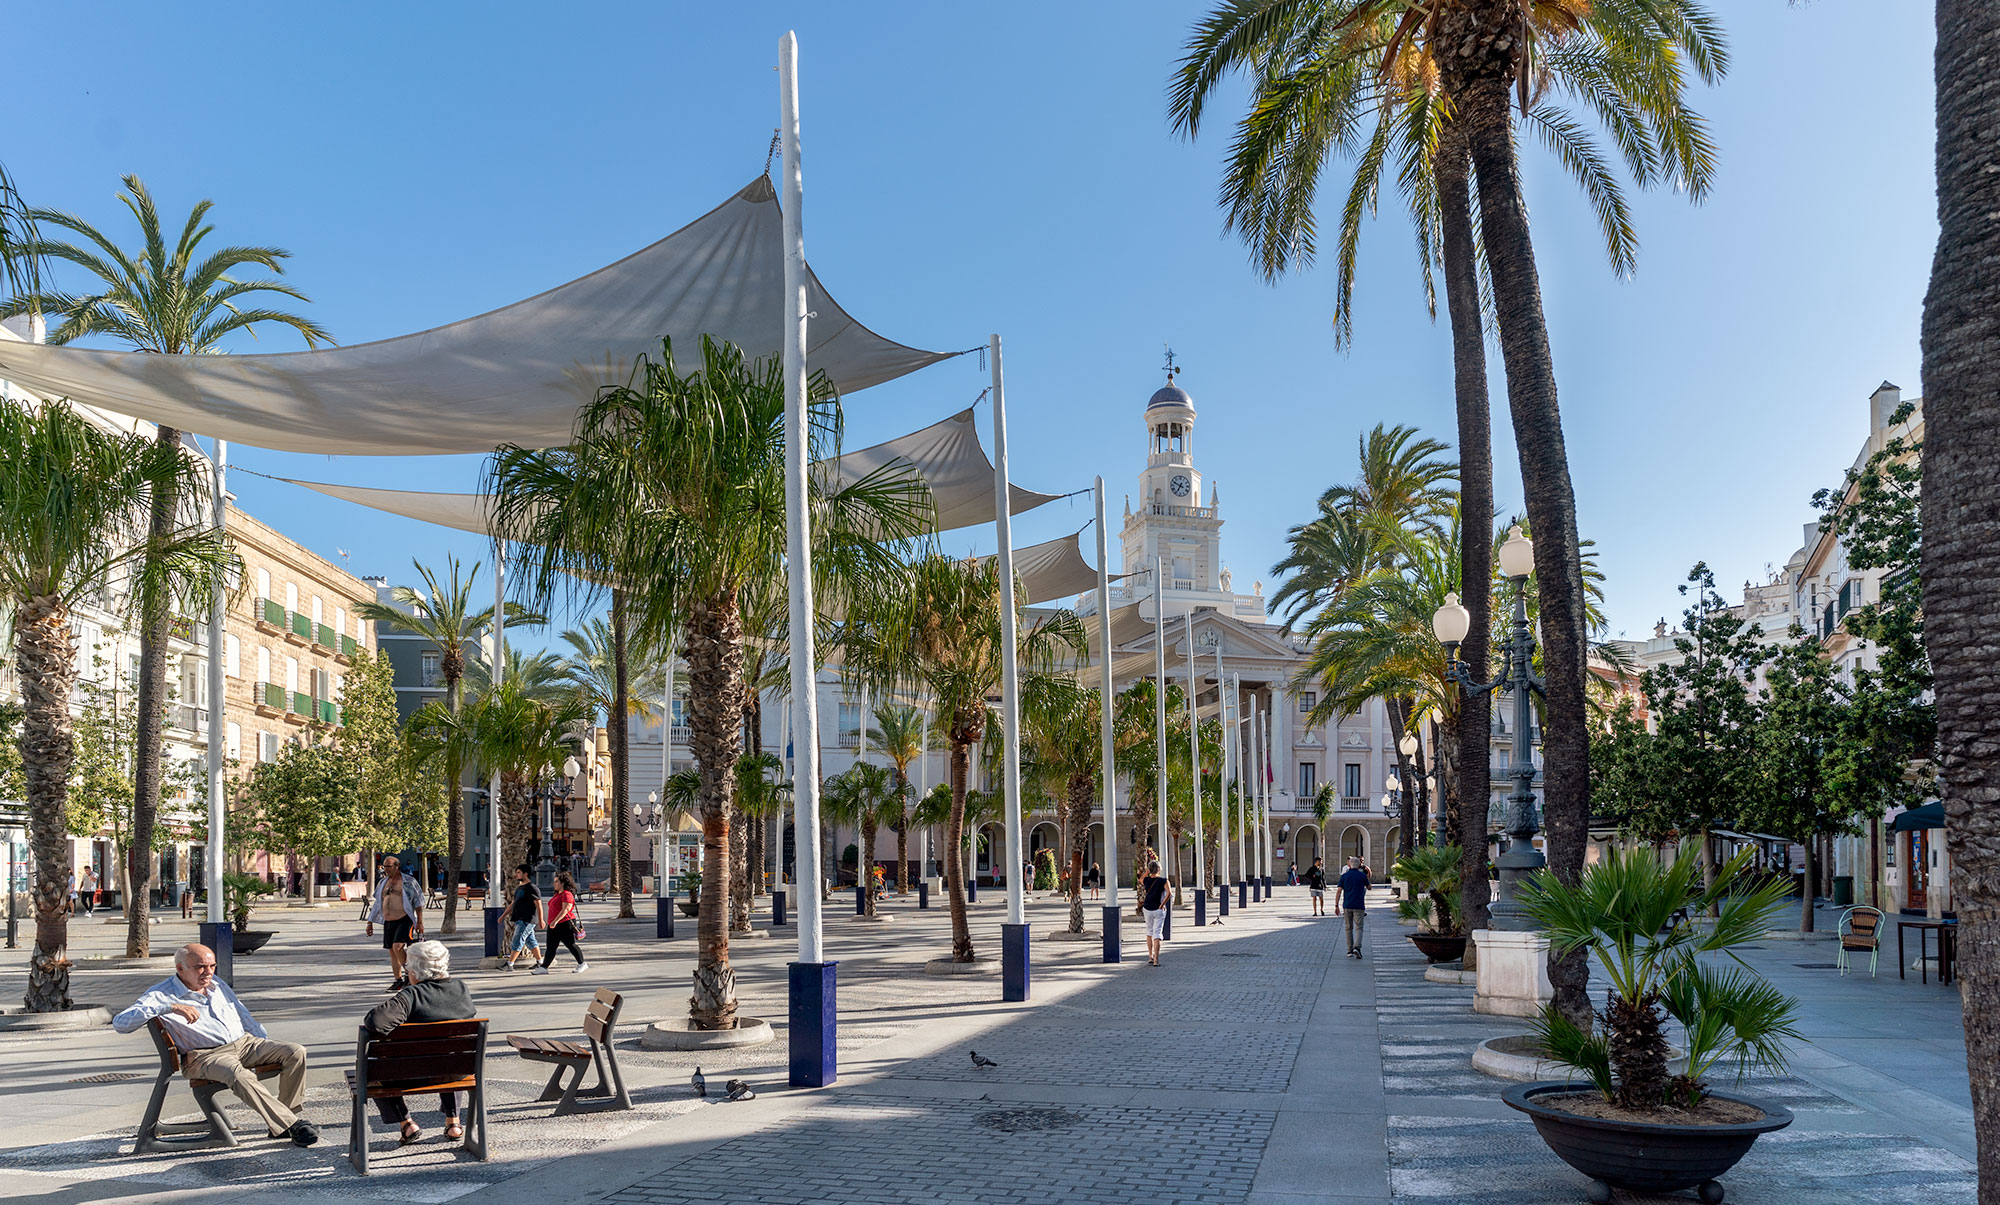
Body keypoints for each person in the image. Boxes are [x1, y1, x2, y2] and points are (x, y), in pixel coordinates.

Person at [112, 943, 319, 1146]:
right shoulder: (161, 994)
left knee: (295, 1052)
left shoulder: (216, 984)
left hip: (244, 1044)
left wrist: (264, 1043)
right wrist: (170, 1007)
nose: (208, 972)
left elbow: (242, 1013)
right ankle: (292, 1126)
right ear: (180, 968)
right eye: (200, 966)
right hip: (205, 1056)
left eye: (212, 966)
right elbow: (121, 1023)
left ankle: (284, 1122)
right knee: (238, 1074)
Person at [364, 939, 475, 1143]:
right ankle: (453, 1123)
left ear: (413, 971)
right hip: (458, 1072)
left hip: (410, 1075)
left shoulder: (411, 995)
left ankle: (407, 1124)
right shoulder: (460, 988)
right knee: (450, 1053)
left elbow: (375, 1021)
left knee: (371, 1069)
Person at [365, 856, 427, 990]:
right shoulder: (383, 882)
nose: (385, 869)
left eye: (388, 866)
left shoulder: (408, 881)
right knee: (392, 951)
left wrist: (420, 921)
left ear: (397, 866)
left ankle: (410, 974)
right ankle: (398, 979)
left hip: (405, 919)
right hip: (388, 921)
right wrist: (370, 922)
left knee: (397, 946)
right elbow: (377, 904)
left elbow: (419, 902)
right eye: (384, 866)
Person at [536, 871, 589, 975]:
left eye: (556, 881)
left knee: (570, 944)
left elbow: (566, 910)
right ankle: (544, 967)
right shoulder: (557, 894)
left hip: (564, 923)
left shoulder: (567, 894)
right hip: (553, 924)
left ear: (563, 883)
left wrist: (556, 921)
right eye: (554, 881)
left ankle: (582, 963)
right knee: (551, 947)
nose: (554, 883)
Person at [500, 865, 541, 971]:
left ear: (525, 874)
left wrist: (541, 920)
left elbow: (539, 905)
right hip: (519, 919)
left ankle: (510, 964)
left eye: (518, 872)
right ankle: (540, 962)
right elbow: (514, 903)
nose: (516, 874)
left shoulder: (532, 888)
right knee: (531, 941)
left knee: (517, 940)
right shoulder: (519, 888)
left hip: (527, 919)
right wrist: (503, 915)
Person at [1337, 856, 1371, 958]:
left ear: (1349, 865)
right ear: (1359, 865)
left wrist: (1336, 905)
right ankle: (1357, 947)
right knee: (1359, 928)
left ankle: (1349, 950)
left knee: (1348, 928)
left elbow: (1339, 891)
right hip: (1359, 905)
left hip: (1347, 905)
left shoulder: (1344, 876)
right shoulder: (1362, 876)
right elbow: (1369, 887)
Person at [1141, 859, 1170, 968]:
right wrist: (1162, 904)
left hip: (1147, 908)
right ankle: (1156, 960)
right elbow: (1169, 893)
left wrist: (1147, 872)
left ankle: (1150, 956)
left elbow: (1140, 879)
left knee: (1149, 932)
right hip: (1158, 909)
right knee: (1157, 933)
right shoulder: (1164, 881)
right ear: (1159, 869)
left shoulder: (1147, 880)